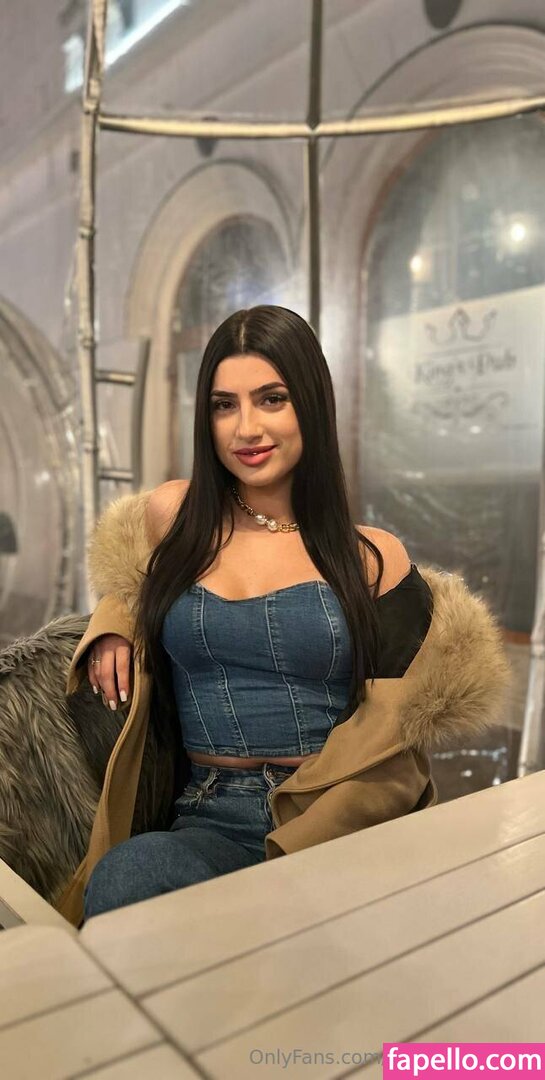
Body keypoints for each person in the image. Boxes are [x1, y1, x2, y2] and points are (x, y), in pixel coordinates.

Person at [63, 304, 510, 924]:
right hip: (209, 816)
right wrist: (116, 623)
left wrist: (321, 835)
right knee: (132, 874)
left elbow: (395, 731)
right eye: (224, 405)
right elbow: (132, 575)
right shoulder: (175, 515)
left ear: (312, 404)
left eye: (271, 399)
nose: (246, 428)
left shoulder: (371, 556)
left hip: (334, 815)